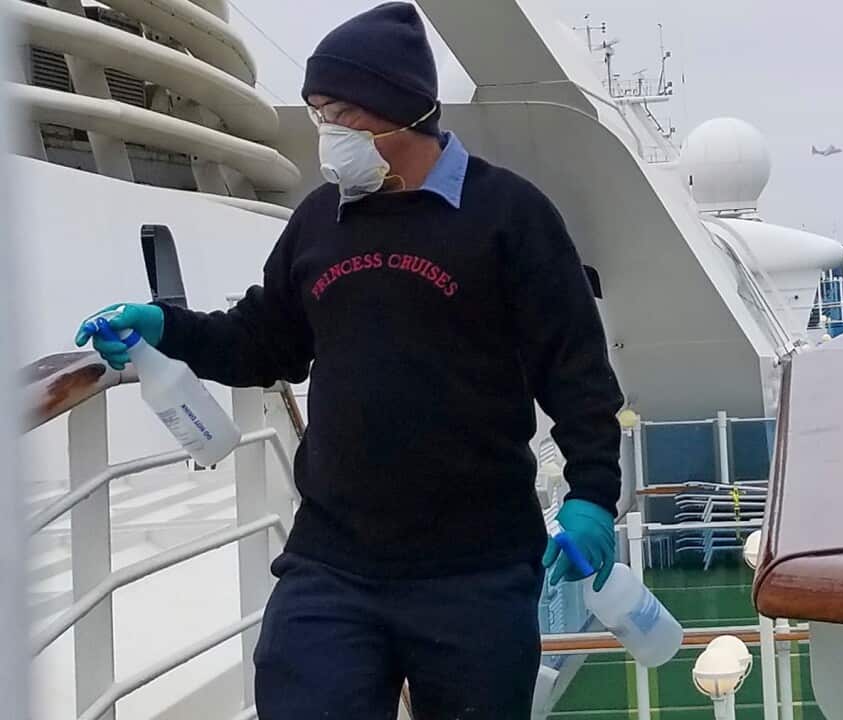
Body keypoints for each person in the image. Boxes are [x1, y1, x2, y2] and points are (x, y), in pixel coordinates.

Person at [74, 3, 624, 717]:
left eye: (342, 114)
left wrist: (592, 498)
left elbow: (576, 372)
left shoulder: (510, 217)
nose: (327, 134)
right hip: (333, 561)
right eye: (317, 112)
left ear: (403, 113)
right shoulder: (318, 220)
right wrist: (162, 327)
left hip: (477, 569)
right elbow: (262, 340)